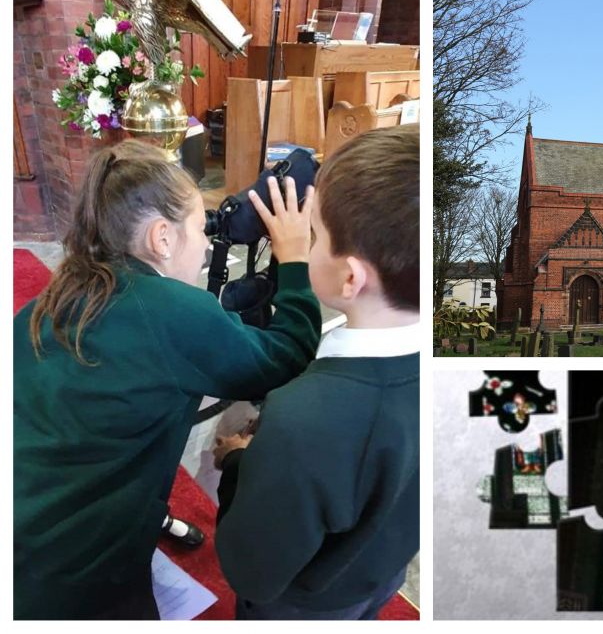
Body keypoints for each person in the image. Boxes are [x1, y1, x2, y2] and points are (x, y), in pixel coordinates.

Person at [13, 140, 320, 619]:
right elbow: (289, 356)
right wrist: (295, 259)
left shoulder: (52, 298)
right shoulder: (171, 314)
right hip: (75, 581)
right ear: (162, 238)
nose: (205, 245)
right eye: (201, 227)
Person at [212, 124, 419, 620]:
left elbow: (251, 571)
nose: (304, 240)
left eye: (316, 234)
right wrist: (295, 260)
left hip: (298, 607)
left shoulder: (305, 420)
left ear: (351, 277)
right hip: (376, 575)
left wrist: (241, 463)